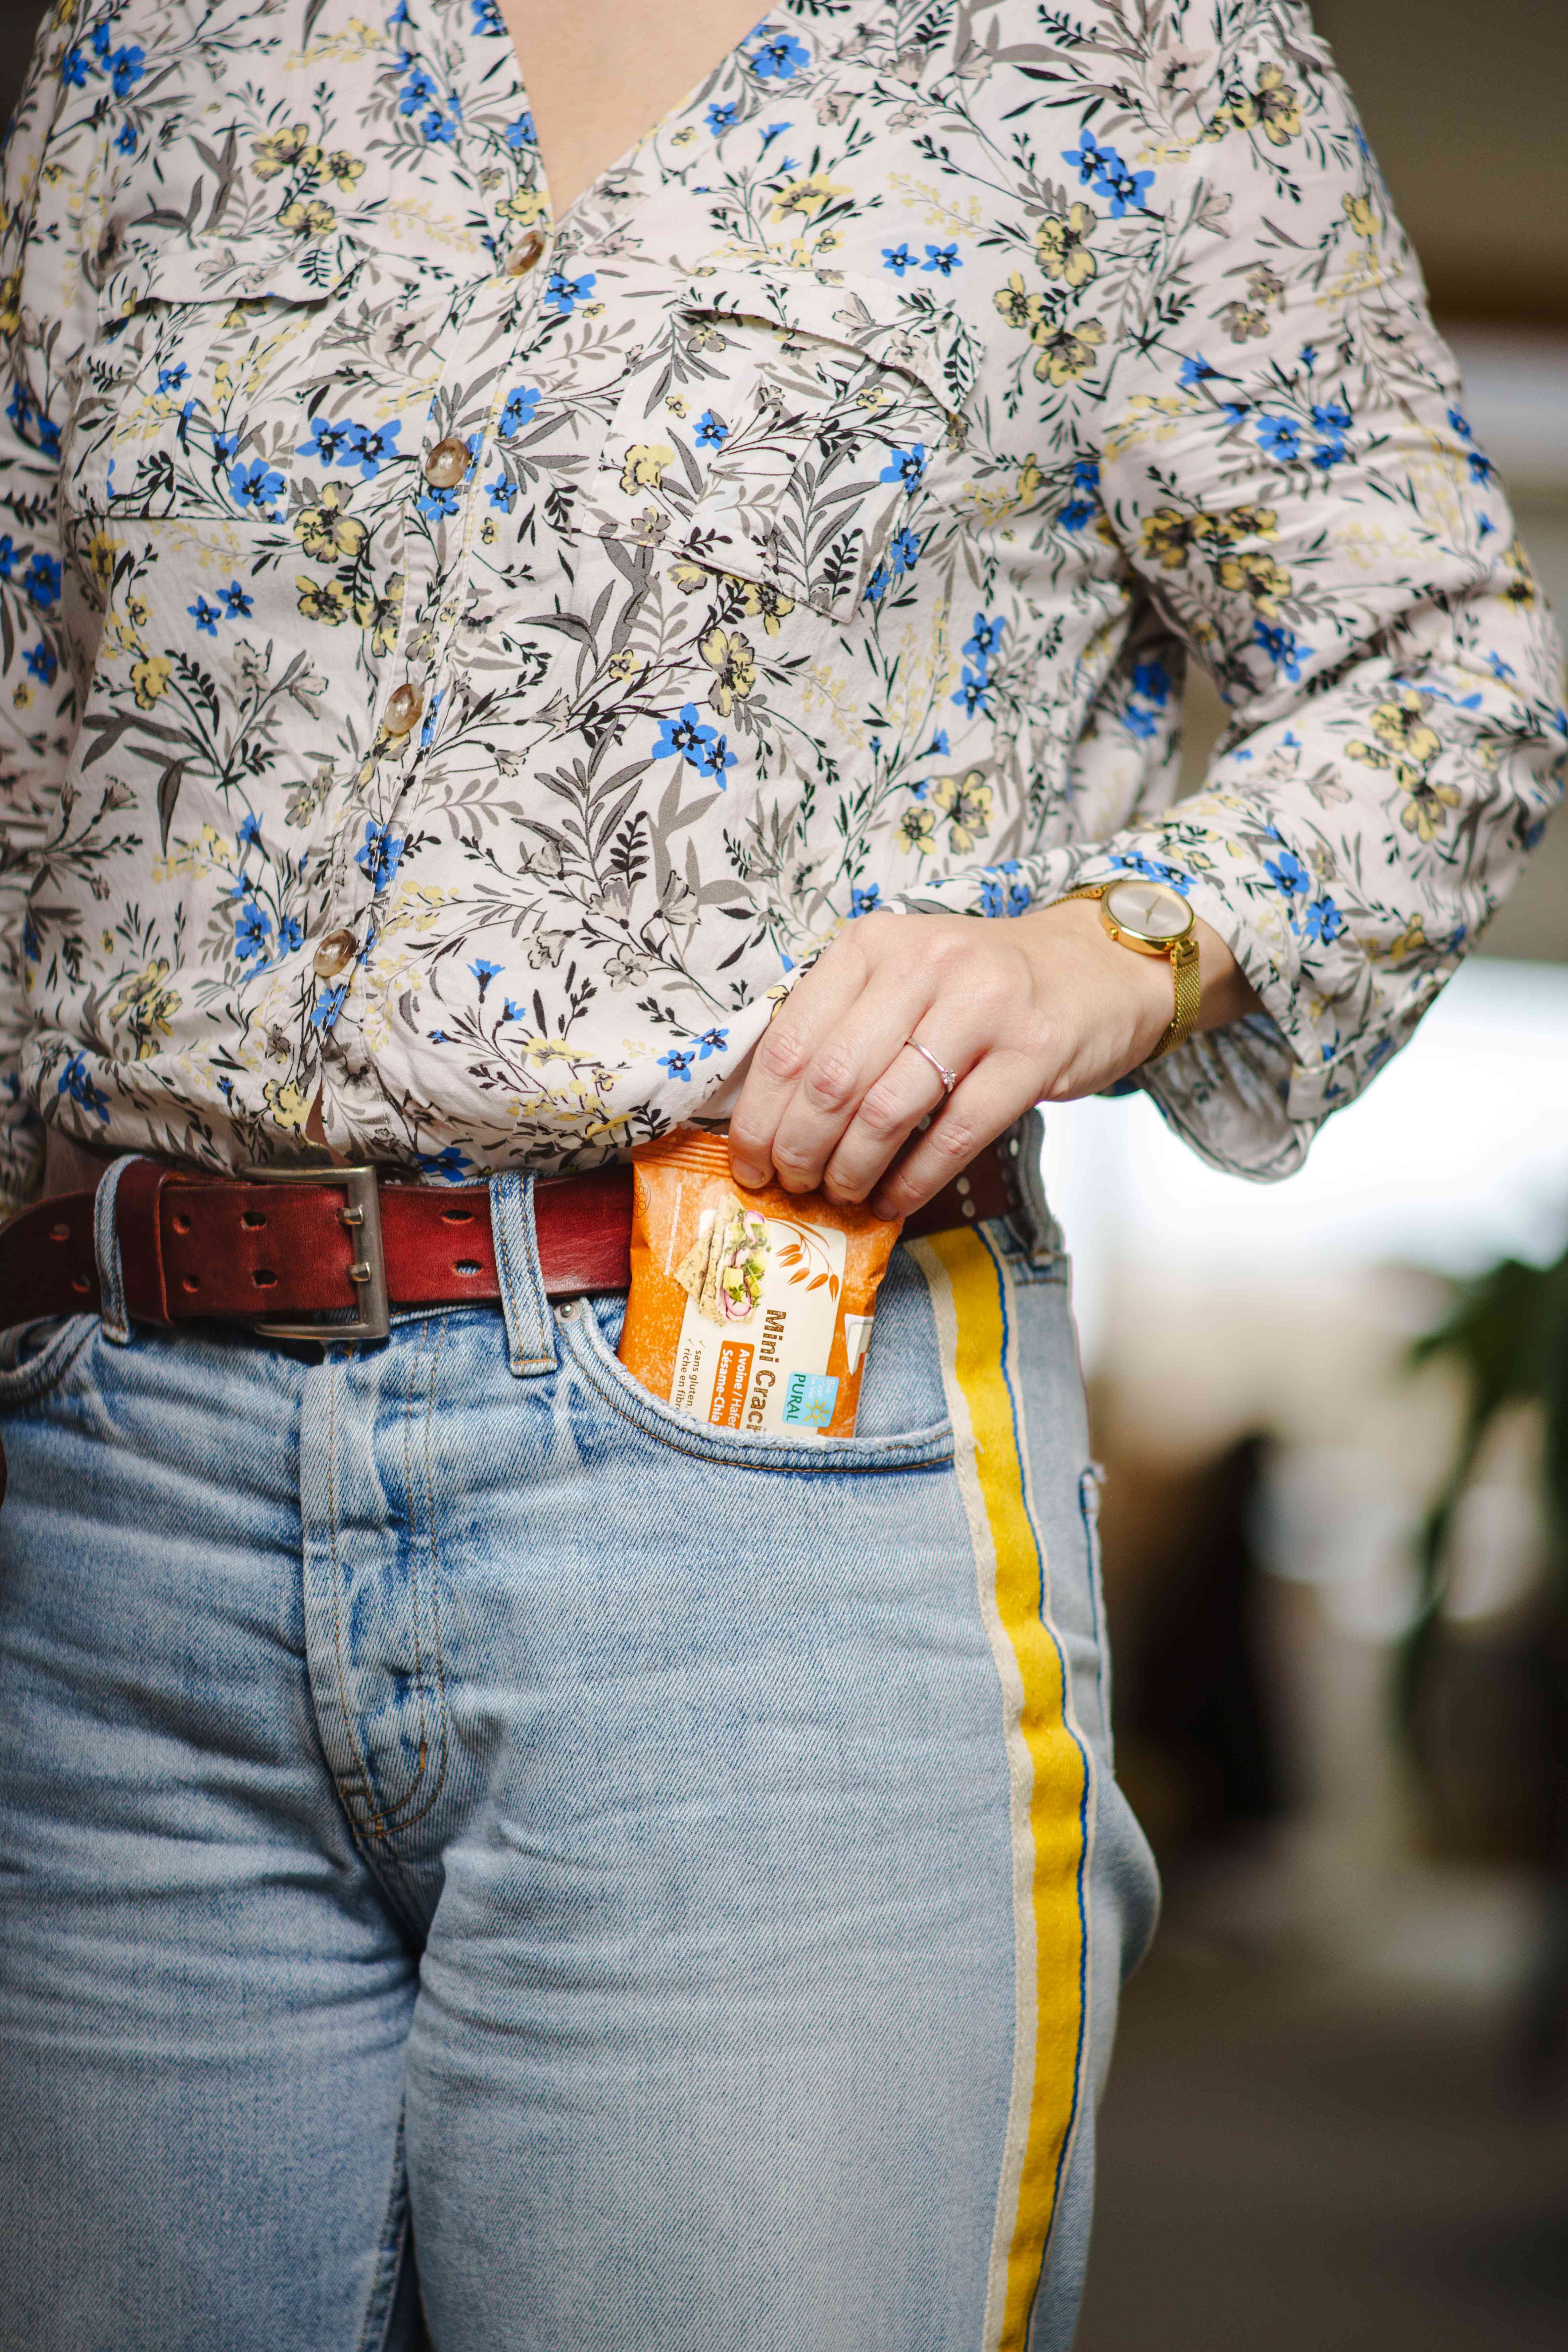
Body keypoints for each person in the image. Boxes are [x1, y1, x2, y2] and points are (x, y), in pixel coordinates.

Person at [0, 1, 1559, 2346]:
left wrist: (1108, 949)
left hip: (760, 1477)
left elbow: (1441, 669)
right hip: (96, 1509)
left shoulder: (1129, 53)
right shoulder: (168, 47)